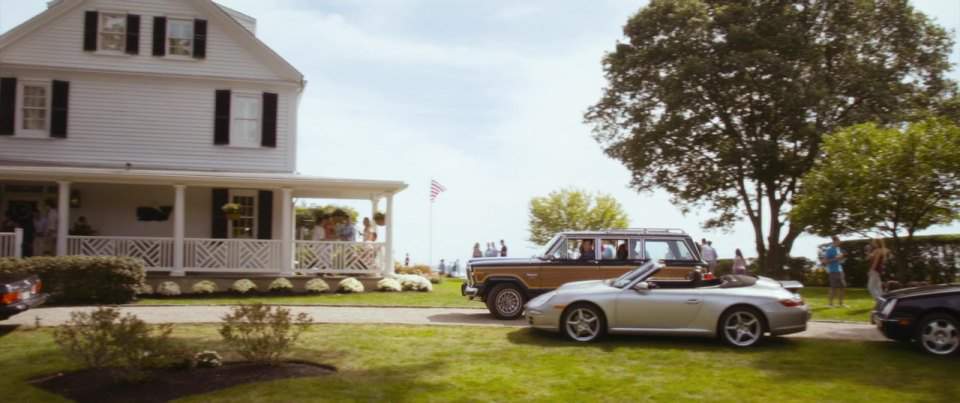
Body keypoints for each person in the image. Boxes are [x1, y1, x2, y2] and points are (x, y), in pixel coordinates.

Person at [825, 236, 847, 307]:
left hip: (840, 270)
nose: (840, 242)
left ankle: (841, 303)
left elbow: (839, 260)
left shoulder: (838, 249)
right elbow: (826, 261)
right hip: (833, 271)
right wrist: (836, 258)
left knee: (842, 287)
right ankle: (830, 304)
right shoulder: (829, 250)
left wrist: (841, 260)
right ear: (834, 241)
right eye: (838, 241)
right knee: (833, 288)